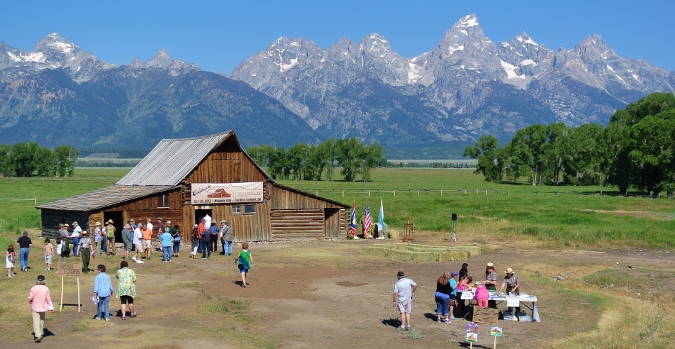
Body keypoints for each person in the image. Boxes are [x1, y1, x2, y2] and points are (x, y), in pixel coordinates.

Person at [28, 275, 54, 343]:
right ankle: (41, 332)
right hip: (43, 307)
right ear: (44, 281)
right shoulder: (46, 288)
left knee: (36, 321)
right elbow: (48, 299)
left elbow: (30, 297)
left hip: (35, 307)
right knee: (42, 320)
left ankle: (38, 335)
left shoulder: (33, 288)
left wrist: (31, 299)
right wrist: (51, 307)